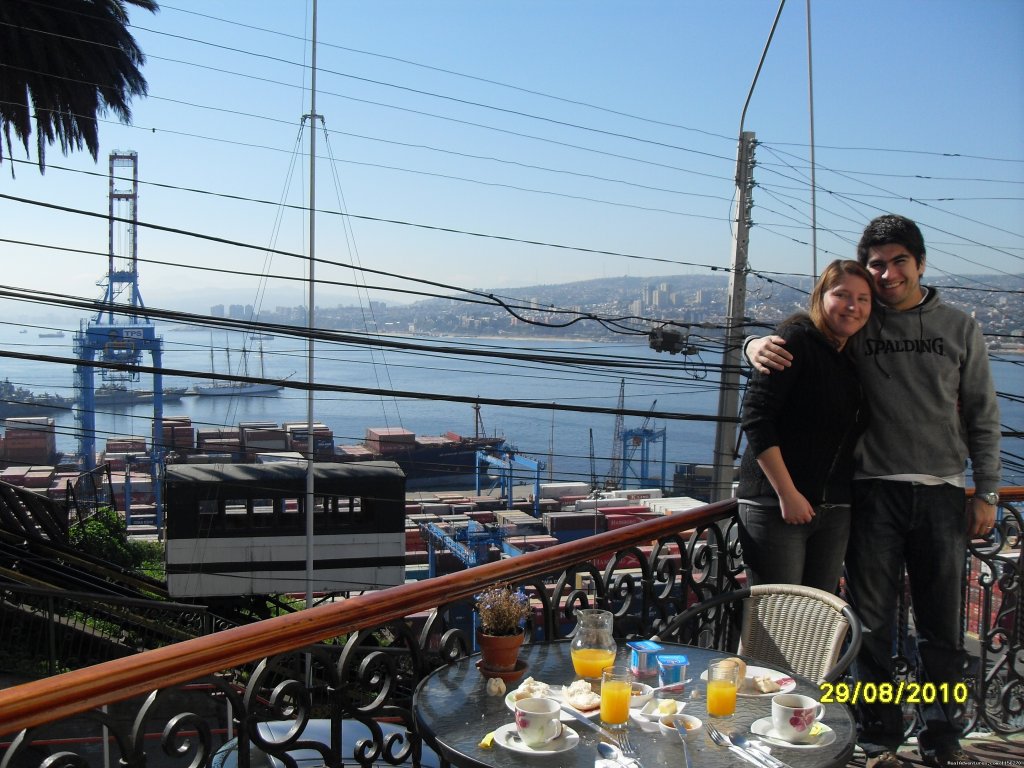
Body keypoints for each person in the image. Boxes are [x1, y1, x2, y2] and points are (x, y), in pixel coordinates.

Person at [745, 214, 1002, 768]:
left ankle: (940, 735)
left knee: (942, 629)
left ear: (921, 263)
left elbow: (983, 413)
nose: (886, 275)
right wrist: (752, 345)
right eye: (877, 264)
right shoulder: (862, 324)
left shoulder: (959, 327)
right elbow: (806, 338)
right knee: (872, 625)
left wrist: (988, 492)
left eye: (898, 262)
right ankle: (877, 733)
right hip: (872, 493)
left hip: (940, 494)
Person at [736, 259, 872, 592]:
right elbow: (756, 417)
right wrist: (787, 493)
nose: (853, 306)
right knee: (778, 621)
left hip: (834, 507)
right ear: (821, 296)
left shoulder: (855, 356)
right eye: (842, 294)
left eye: (863, 298)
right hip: (776, 505)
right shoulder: (794, 340)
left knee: (815, 622)